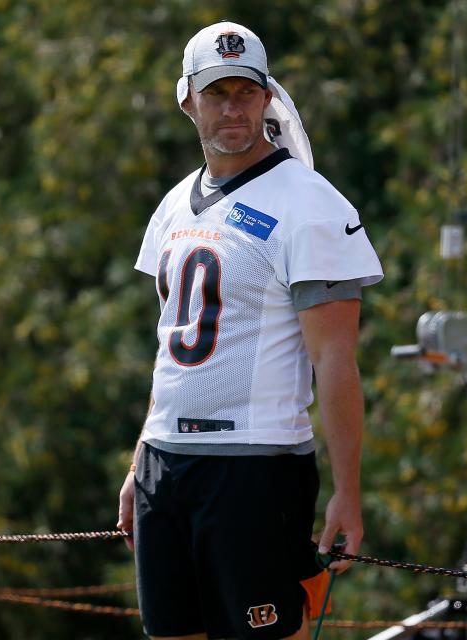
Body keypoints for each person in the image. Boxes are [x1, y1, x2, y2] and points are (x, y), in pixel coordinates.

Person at [116, 20, 383, 640]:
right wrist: (140, 463)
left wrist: (348, 491)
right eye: (216, 93)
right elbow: (171, 353)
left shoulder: (311, 204)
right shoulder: (175, 204)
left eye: (244, 91)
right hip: (166, 467)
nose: (232, 108)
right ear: (188, 101)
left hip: (255, 468)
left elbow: (337, 362)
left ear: (267, 97)